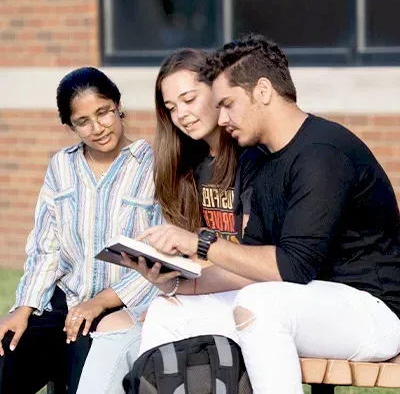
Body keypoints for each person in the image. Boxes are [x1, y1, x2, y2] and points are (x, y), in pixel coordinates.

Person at [125, 34, 400, 394]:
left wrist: (199, 243)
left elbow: (290, 268)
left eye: (228, 104)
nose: (221, 118)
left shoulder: (324, 153)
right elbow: (249, 268)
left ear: (263, 91)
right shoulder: (263, 160)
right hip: (305, 302)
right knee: (168, 309)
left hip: (373, 313)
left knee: (261, 304)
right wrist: (181, 283)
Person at [77, 48, 267, 394]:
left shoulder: (250, 157)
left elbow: (253, 259)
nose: (181, 114)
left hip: (248, 293)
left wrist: (180, 288)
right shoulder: (186, 164)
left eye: (189, 99)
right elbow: (193, 258)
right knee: (116, 325)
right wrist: (163, 271)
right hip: (202, 290)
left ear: (218, 91)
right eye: (171, 107)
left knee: (161, 317)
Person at [0, 67, 162, 394]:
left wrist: (101, 302)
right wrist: (23, 309)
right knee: (6, 351)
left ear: (118, 106)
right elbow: (47, 249)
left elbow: (161, 256)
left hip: (121, 307)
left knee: (82, 373)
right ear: (70, 126)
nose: (97, 128)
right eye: (83, 121)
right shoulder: (62, 166)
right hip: (65, 303)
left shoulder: (154, 164)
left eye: (103, 113)